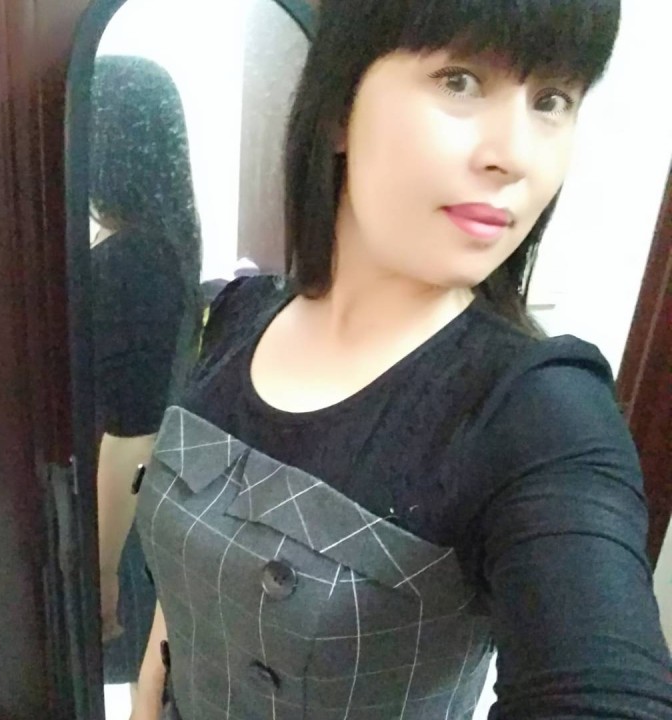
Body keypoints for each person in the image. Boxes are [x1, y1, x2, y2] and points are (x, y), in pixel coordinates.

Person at [130, 1, 672, 718]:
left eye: (551, 100)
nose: (515, 155)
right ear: (339, 107)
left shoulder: (538, 410)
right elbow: (182, 599)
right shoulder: (236, 315)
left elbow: (605, 691)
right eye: (460, 80)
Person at [88, 54, 203, 687]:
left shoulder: (130, 261)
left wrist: (101, 571)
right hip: (144, 503)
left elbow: (131, 434)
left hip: (120, 514)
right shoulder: (165, 243)